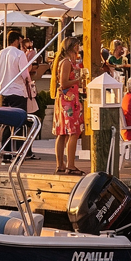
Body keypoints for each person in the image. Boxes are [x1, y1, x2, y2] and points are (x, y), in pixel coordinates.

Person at [51, 37, 86, 176]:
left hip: (65, 99)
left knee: (62, 133)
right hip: (68, 100)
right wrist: (79, 80)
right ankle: (70, 165)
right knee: (74, 132)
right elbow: (64, 82)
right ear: (73, 47)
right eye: (77, 46)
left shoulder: (65, 61)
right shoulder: (66, 62)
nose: (79, 49)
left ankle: (61, 165)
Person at [0, 31, 31, 113]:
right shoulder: (19, 54)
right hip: (18, 93)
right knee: (18, 122)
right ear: (17, 41)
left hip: (3, 93)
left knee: (4, 121)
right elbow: (25, 75)